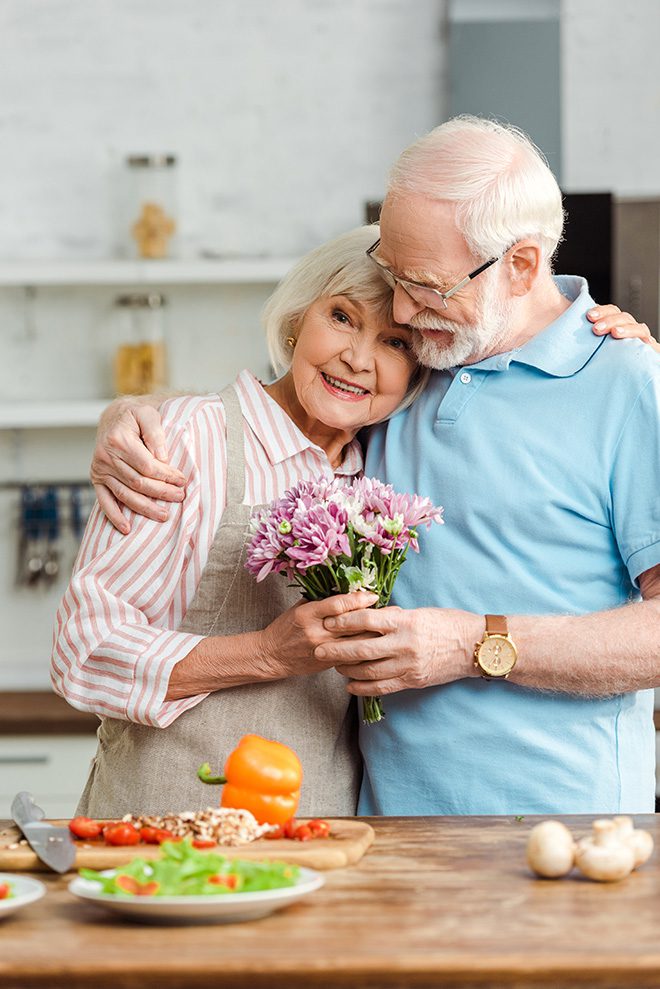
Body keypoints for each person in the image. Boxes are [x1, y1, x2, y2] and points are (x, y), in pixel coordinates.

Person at [88, 117, 659, 818]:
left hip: (565, 833)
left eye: (424, 285)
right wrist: (132, 415)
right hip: (379, 833)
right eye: (393, 276)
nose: (399, 310)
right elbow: (268, 416)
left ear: (520, 266)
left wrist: (474, 644)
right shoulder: (414, 368)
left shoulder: (627, 380)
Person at [51, 226, 426, 818]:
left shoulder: (380, 473)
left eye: (396, 343)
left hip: (316, 835)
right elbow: (84, 649)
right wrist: (268, 653)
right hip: (160, 828)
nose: (358, 358)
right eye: (342, 317)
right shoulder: (185, 438)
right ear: (299, 317)